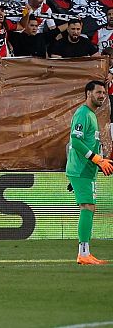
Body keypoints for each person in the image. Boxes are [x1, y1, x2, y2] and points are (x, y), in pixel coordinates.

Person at [66, 80, 113, 265]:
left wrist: (100, 161)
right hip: (81, 169)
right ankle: (83, 254)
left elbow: (86, 143)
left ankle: (85, 252)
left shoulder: (91, 115)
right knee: (87, 207)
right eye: (98, 92)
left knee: (88, 208)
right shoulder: (83, 114)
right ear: (88, 94)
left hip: (86, 169)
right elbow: (75, 142)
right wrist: (97, 159)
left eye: (103, 93)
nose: (102, 95)